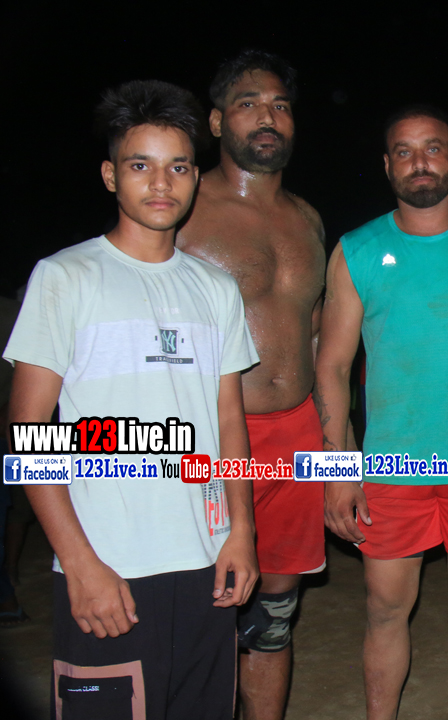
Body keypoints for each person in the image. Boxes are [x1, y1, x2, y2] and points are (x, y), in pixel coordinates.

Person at [4, 80, 259, 719]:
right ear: (110, 175)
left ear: (196, 177)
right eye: (140, 166)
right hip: (108, 566)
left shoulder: (216, 289)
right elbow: (27, 433)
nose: (161, 183)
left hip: (206, 560)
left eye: (179, 167)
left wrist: (242, 531)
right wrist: (79, 563)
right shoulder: (65, 277)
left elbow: (228, 420)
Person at [316, 105, 448, 720]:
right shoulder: (356, 249)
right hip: (391, 467)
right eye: (404, 152)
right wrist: (337, 470)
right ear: (388, 166)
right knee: (385, 608)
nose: (420, 162)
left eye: (432, 148)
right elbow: (331, 367)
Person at [176, 50, 327, 720]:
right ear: (216, 121)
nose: (267, 117)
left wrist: (335, 449)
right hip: (208, 439)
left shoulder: (308, 218)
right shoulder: (180, 209)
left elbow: (318, 338)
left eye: (280, 105)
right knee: (199, 611)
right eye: (248, 103)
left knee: (274, 618)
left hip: (296, 436)